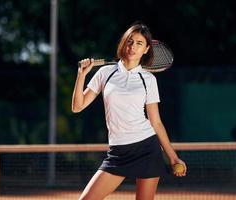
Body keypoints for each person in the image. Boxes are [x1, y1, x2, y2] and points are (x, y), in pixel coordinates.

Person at [72, 23, 187, 200]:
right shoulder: (105, 73)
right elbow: (77, 107)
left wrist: (173, 157)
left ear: (147, 49)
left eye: (139, 43)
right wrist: (81, 75)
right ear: (124, 43)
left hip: (147, 148)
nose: (133, 47)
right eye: (130, 41)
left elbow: (156, 122)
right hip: (117, 152)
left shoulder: (148, 79)